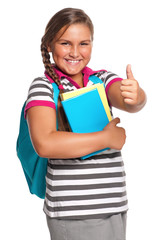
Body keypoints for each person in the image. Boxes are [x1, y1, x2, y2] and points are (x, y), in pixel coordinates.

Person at [25, 8, 146, 240]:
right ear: (50, 45)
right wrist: (105, 139)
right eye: (65, 43)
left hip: (113, 202)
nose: (75, 52)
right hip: (75, 210)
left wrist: (137, 95)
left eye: (83, 43)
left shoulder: (101, 79)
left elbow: (129, 101)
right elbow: (45, 143)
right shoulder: (43, 86)